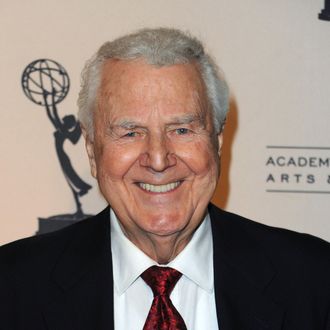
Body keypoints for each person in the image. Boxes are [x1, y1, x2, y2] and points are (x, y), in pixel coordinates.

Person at [1, 28, 329, 330]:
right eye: (130, 132)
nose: (158, 159)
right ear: (91, 150)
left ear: (217, 142)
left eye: (182, 130)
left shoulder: (315, 280)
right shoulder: (12, 287)